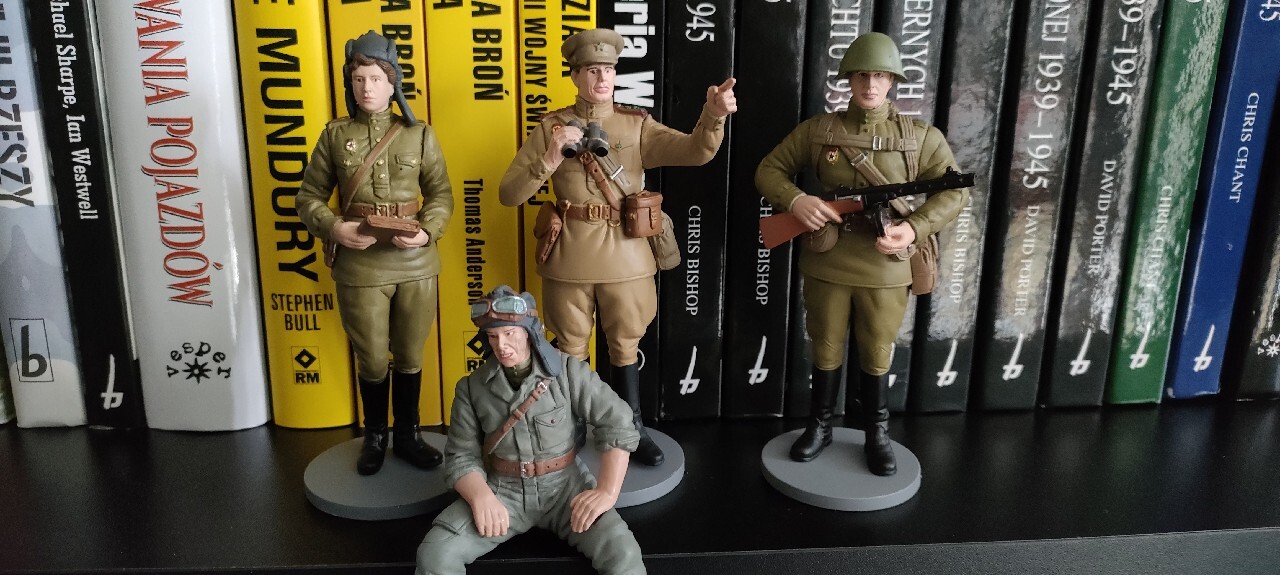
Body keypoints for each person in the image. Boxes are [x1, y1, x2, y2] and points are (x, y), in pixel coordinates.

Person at [499, 28, 737, 466]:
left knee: (626, 343)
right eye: (592, 70)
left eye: (608, 70)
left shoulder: (635, 124)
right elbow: (509, 193)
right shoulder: (551, 127)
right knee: (570, 346)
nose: (602, 78)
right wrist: (549, 158)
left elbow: (695, 151)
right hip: (570, 256)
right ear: (575, 76)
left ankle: (631, 426)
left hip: (626, 255)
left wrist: (713, 115)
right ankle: (570, 425)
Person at [755, 32, 968, 476]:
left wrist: (914, 227)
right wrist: (797, 200)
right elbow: (770, 169)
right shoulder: (820, 131)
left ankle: (877, 433)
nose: (870, 85)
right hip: (828, 259)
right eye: (862, 76)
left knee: (877, 349)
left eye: (880, 76)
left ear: (892, 81)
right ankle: (820, 425)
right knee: (826, 344)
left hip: (885, 263)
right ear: (849, 79)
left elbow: (954, 194)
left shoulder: (920, 137)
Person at [296, 31, 453, 475]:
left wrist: (427, 232)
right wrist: (334, 228)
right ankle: (375, 437)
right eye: (358, 79)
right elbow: (308, 197)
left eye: (376, 79)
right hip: (361, 265)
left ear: (392, 83)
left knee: (411, 353)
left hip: (414, 262)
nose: (367, 88)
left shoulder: (419, 135)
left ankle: (408, 434)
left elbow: (441, 194)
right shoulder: (335, 136)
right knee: (370, 356)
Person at [416, 286, 645, 575]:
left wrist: (607, 492)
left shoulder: (567, 372)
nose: (501, 345)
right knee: (436, 554)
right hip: (504, 491)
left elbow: (617, 421)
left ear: (529, 332)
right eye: (493, 336)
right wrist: (480, 496)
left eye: (509, 333)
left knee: (623, 554)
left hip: (566, 489)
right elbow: (460, 456)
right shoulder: (472, 389)